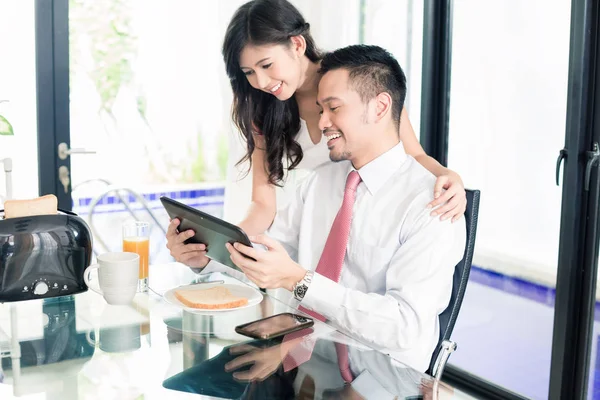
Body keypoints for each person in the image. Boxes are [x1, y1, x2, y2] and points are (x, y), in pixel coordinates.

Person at [167, 44, 466, 372]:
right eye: (320, 108)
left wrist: (300, 280)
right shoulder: (319, 184)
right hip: (306, 359)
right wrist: (206, 258)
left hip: (382, 379)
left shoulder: (432, 206)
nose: (322, 122)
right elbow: (271, 257)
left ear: (380, 107)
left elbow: (403, 327)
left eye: (334, 108)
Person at [222, 0, 466, 237]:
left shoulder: (357, 83)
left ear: (297, 44)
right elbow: (263, 204)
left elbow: (412, 155)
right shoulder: (263, 109)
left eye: (266, 65)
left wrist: (449, 176)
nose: (261, 82)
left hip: (368, 224)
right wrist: (226, 239)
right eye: (249, 73)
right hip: (311, 225)